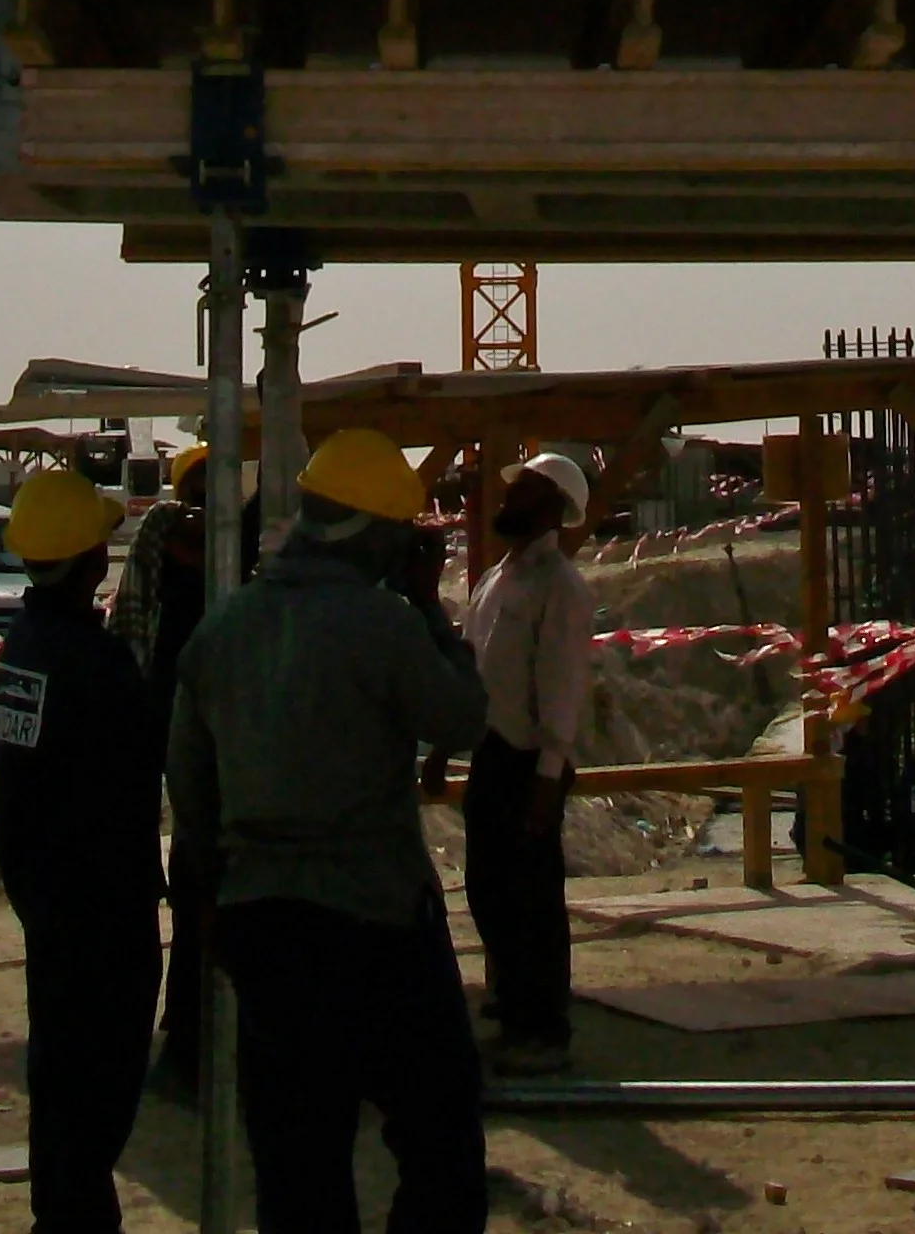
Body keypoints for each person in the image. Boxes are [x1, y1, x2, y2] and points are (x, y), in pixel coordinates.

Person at [167, 428, 488, 1234]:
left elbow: (191, 790)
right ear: (373, 533)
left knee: (297, 1166)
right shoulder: (381, 624)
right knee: (440, 1140)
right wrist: (426, 601)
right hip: (376, 920)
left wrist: (208, 902)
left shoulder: (223, 630)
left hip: (262, 924)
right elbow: (463, 716)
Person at [0, 467, 165, 1234]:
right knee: (99, 1092)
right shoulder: (94, 665)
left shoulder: (25, 648)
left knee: (61, 1086)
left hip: (51, 905)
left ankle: (63, 1218)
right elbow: (147, 756)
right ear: (93, 560)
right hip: (103, 912)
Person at [110, 439, 261, 1096]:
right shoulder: (167, 537)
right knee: (202, 876)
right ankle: (193, 1045)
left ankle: (199, 1037)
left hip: (210, 729)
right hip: (183, 724)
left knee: (210, 877)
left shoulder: (228, 552)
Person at [462, 450, 594, 1077]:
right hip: (492, 755)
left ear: (552, 509)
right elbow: (476, 667)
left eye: (525, 493)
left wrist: (548, 775)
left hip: (527, 765)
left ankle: (544, 1029)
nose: (508, 501)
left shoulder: (560, 587)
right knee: (492, 894)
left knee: (532, 901)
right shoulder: (499, 578)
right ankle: (514, 1012)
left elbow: (562, 685)